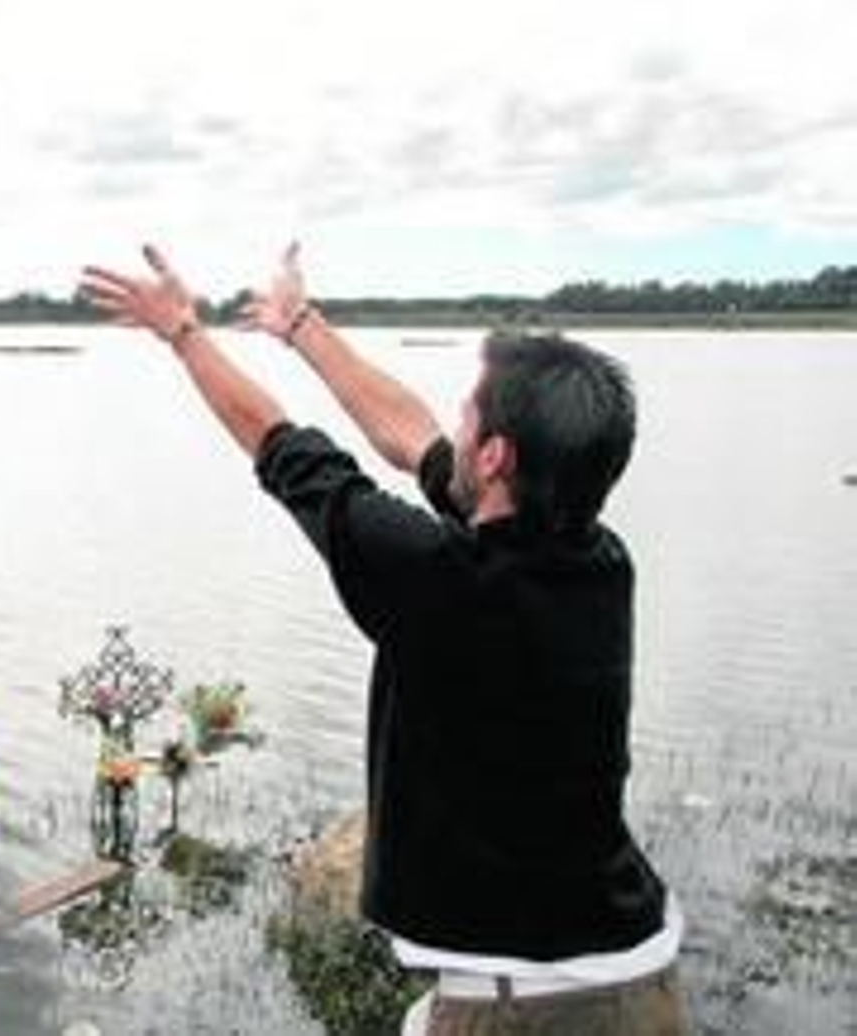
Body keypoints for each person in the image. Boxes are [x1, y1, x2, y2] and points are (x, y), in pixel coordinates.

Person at [79, 244, 688, 1035]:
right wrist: (300, 326)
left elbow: (283, 449)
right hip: (639, 971)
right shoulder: (597, 560)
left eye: (470, 415)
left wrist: (184, 332)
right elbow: (417, 442)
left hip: (529, 1006)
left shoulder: (441, 580)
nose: (454, 425)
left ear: (497, 455)